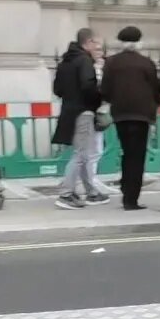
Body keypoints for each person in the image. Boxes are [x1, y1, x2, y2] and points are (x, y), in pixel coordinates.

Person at [100, 26, 160, 211]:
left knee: (127, 152)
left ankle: (125, 188)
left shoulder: (111, 63)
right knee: (137, 156)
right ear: (139, 42)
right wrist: (159, 102)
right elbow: (155, 89)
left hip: (121, 114)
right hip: (142, 115)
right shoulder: (147, 63)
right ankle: (131, 198)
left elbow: (105, 90)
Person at [52, 28, 109, 210]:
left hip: (69, 110)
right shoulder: (84, 61)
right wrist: (97, 100)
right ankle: (66, 194)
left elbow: (57, 90)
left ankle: (91, 191)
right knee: (80, 154)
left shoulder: (65, 61)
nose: (98, 47)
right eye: (97, 44)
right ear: (89, 42)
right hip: (83, 111)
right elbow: (88, 86)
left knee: (83, 153)